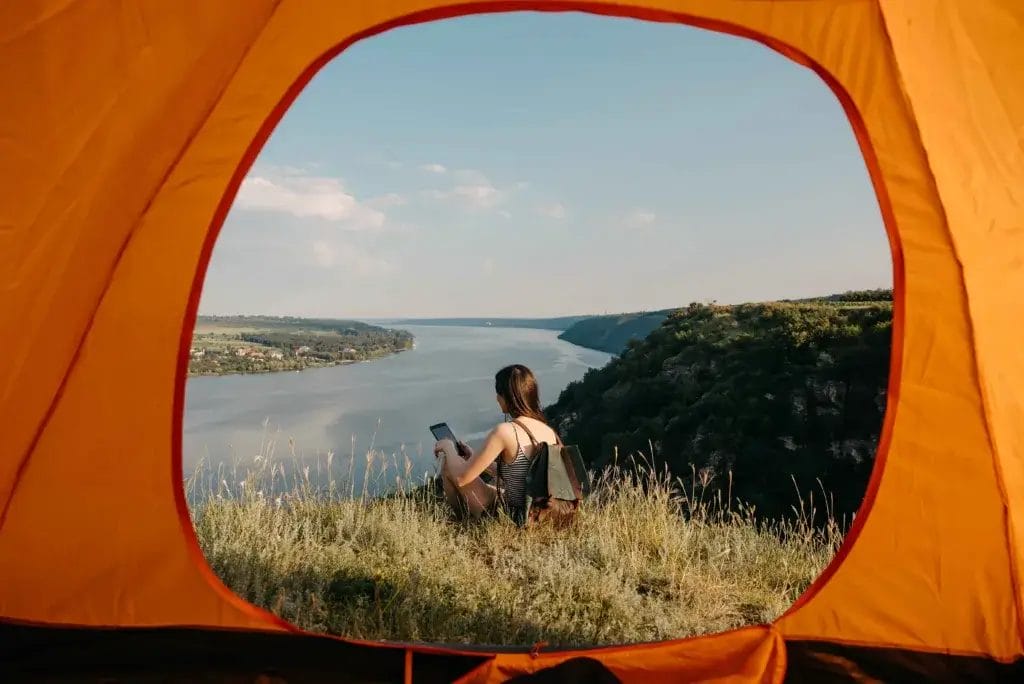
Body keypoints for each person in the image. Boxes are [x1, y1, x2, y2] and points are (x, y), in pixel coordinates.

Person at [433, 363, 560, 523]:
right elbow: (521, 476)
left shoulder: (505, 431)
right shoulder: (547, 431)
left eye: (499, 393)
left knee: (449, 466)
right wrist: (476, 458)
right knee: (467, 469)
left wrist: (448, 448)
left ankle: (461, 522)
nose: (497, 398)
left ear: (508, 397)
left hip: (514, 516)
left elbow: (461, 479)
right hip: (539, 512)